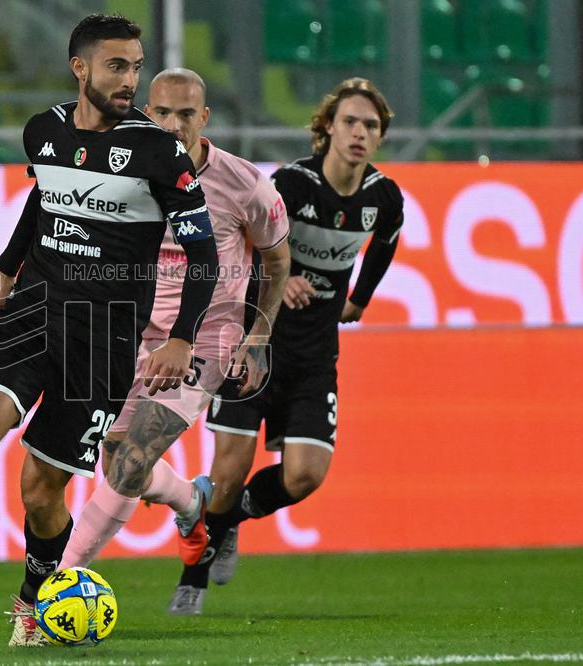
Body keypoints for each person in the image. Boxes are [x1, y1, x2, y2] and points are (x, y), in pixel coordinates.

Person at [0, 14, 219, 647]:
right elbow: (45, 197)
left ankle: (34, 605)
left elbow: (204, 256)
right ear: (80, 68)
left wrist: (180, 337)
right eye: (117, 66)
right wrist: (9, 265)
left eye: (136, 66)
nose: (129, 80)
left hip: (106, 336)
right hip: (33, 311)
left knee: (40, 489)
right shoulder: (44, 132)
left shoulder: (159, 152)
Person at [168, 77, 405, 616]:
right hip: (253, 342)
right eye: (350, 121)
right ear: (327, 128)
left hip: (315, 355)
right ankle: (193, 578)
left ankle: (232, 522)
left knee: (305, 475)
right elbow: (239, 241)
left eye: (371, 125)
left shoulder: (383, 198)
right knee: (225, 475)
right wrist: (283, 275)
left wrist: (360, 300)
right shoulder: (292, 185)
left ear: (381, 136)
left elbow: (386, 241)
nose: (359, 133)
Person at [49, 67, 291, 585]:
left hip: (205, 339)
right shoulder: (122, 178)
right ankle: (191, 499)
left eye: (186, 114)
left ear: (204, 118)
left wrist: (259, 338)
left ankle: (62, 580)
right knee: (116, 460)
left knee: (136, 455)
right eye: (161, 113)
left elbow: (277, 262)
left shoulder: (245, 184)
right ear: (144, 114)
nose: (173, 124)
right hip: (132, 333)